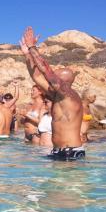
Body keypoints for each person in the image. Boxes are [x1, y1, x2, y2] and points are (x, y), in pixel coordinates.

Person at [20, 26, 84, 160]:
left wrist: (32, 47)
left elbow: (46, 71)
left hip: (71, 152)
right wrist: (27, 54)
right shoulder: (57, 96)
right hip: (57, 151)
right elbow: (37, 76)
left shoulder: (69, 96)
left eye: (55, 77)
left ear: (63, 82)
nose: (50, 80)